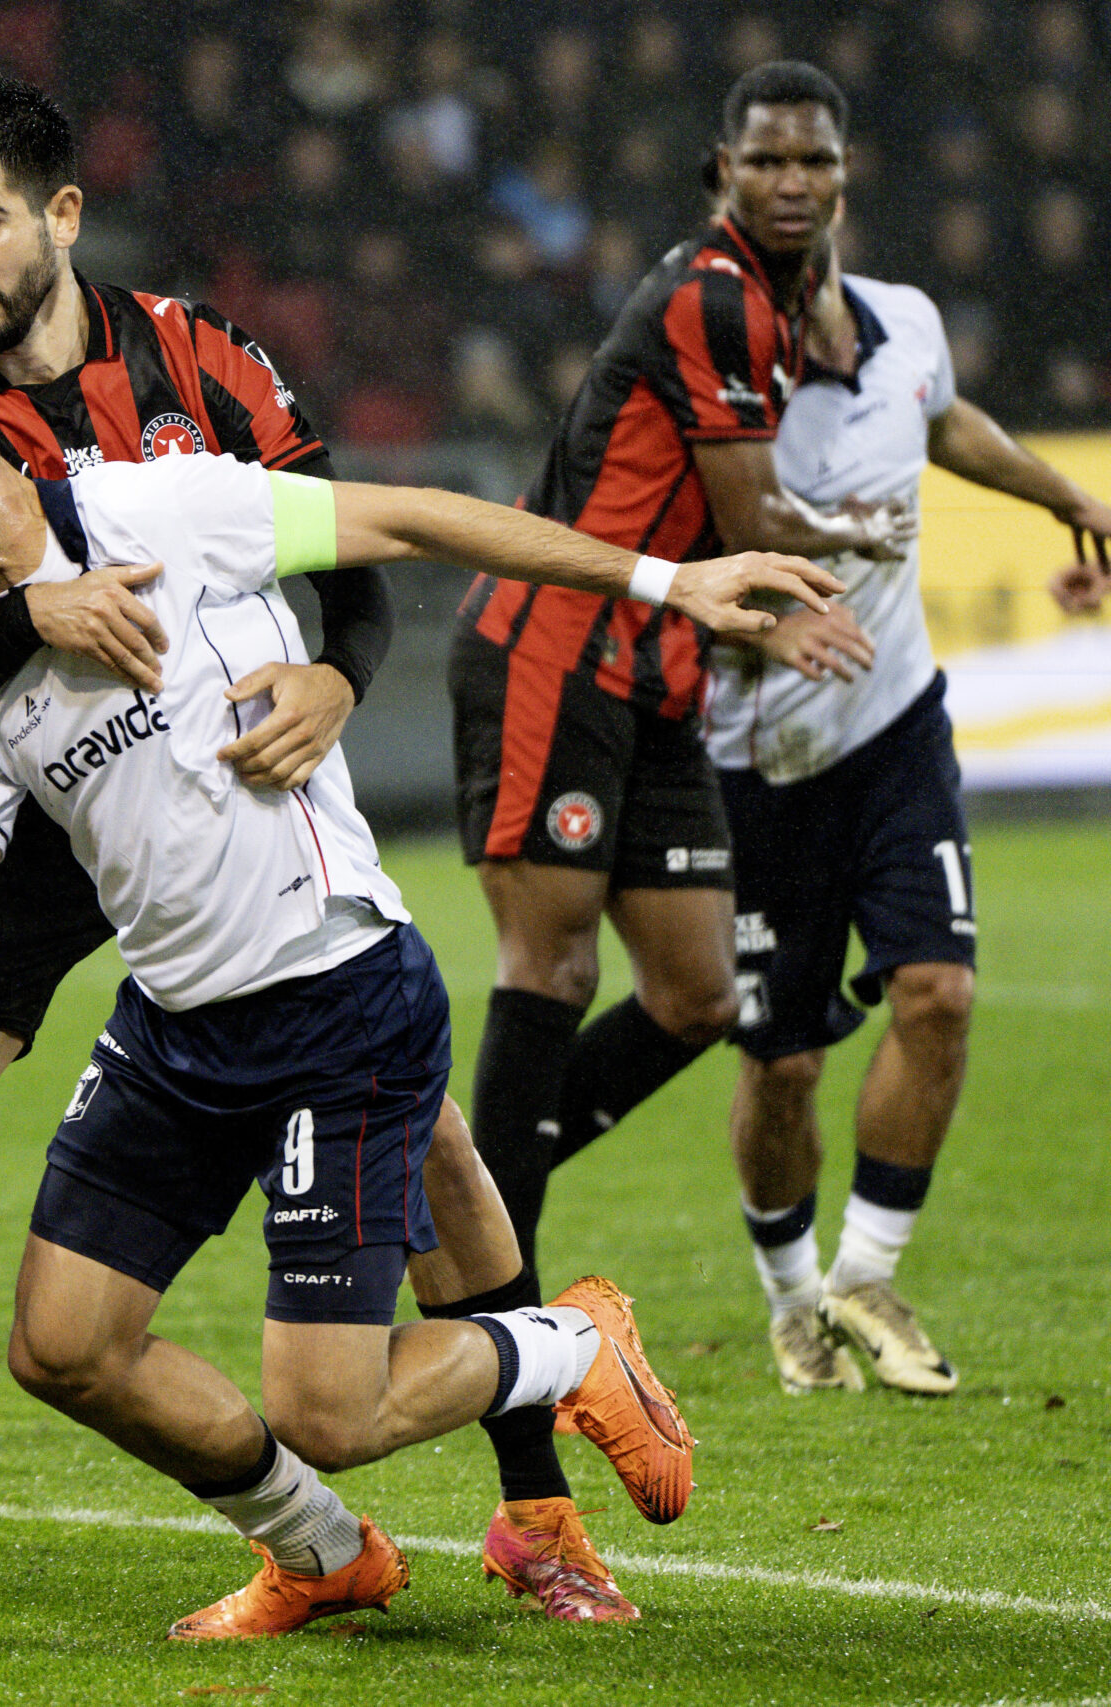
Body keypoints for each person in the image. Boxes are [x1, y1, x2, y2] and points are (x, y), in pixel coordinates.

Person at [0, 293, 832, 1640]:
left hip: (335, 999)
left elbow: (421, 519)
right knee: (61, 1347)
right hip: (176, 1026)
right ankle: (318, 1549)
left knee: (331, 1404)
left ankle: (572, 1345)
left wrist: (673, 581)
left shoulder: (172, 510)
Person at [447, 62, 910, 1345]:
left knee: (702, 998)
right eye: (766, 162)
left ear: (841, 176)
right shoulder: (712, 298)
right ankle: (497, 1301)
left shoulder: (773, 289)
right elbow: (754, 517)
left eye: (814, 163)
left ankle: (460, 1200)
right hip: (553, 644)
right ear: (724, 173)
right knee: (550, 962)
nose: (792, 183)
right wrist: (853, 533)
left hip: (658, 672)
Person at [681, 225, 1111, 1393]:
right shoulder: (710, 369)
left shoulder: (904, 322)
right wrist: (771, 620)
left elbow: (940, 421)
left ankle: (866, 1273)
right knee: (783, 1067)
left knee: (938, 991)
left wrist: (1066, 496)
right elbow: (683, 547)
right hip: (753, 756)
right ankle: (789, 1302)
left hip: (893, 725)